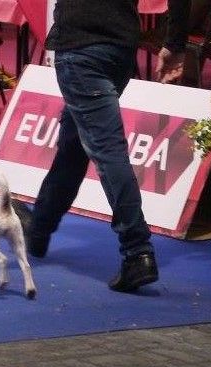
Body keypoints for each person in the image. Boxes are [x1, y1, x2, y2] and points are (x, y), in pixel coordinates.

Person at [27, 0, 192, 293]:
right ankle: (38, 229)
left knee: (107, 150)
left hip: (79, 46)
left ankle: (137, 251)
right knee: (74, 144)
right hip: (119, 49)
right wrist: (175, 42)